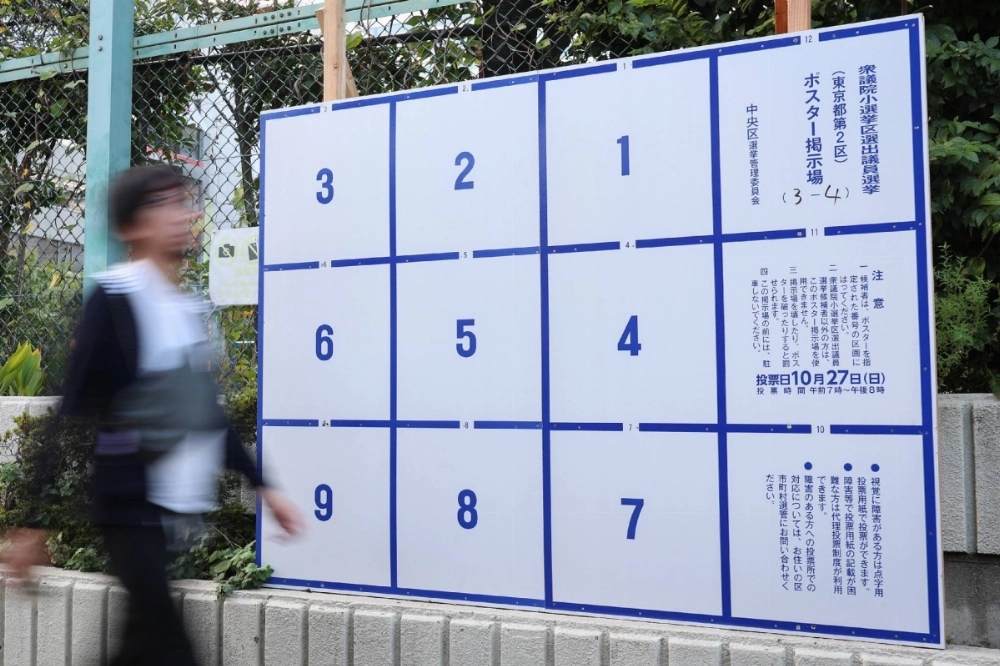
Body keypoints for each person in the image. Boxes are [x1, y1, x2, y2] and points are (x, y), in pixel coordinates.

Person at [1, 165, 304, 665]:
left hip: (172, 508)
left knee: (140, 647)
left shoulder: (185, 306)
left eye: (185, 201)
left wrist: (264, 485)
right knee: (172, 647)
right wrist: (34, 524)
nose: (186, 214)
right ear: (132, 226)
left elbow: (204, 413)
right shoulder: (114, 299)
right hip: (129, 508)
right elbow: (68, 409)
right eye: (167, 203)